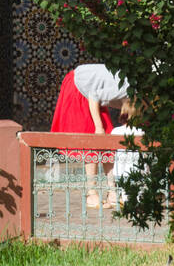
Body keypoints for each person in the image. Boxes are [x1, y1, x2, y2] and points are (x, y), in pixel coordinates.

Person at [51, 63, 129, 209]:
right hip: (79, 86)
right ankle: (91, 194)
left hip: (93, 91)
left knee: (108, 145)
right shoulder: (126, 87)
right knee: (92, 139)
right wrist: (98, 127)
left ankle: (112, 192)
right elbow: (94, 96)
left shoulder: (136, 91)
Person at [110, 97, 144, 212]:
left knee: (125, 193)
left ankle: (127, 204)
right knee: (138, 192)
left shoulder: (115, 132)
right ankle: (137, 205)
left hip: (120, 171)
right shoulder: (141, 132)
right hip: (138, 171)